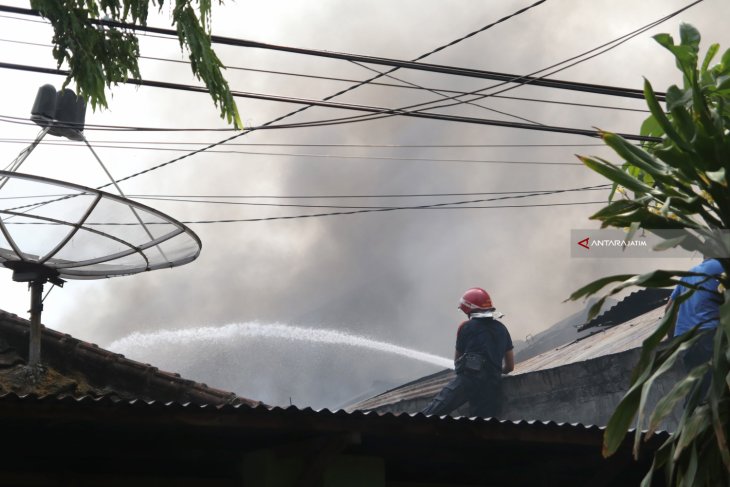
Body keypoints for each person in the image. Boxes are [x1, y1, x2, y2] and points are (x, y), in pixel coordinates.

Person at [422, 287, 514, 418]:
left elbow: (457, 362)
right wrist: (495, 371)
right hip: (493, 385)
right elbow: (510, 366)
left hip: (468, 381)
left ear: (469, 309)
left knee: (430, 413)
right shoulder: (502, 329)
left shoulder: (465, 327)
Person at [666, 258, 725, 399]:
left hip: (686, 337)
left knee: (698, 388)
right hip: (708, 332)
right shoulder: (722, 266)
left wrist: (671, 339)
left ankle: (692, 414)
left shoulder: (689, 273)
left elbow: (669, 308)